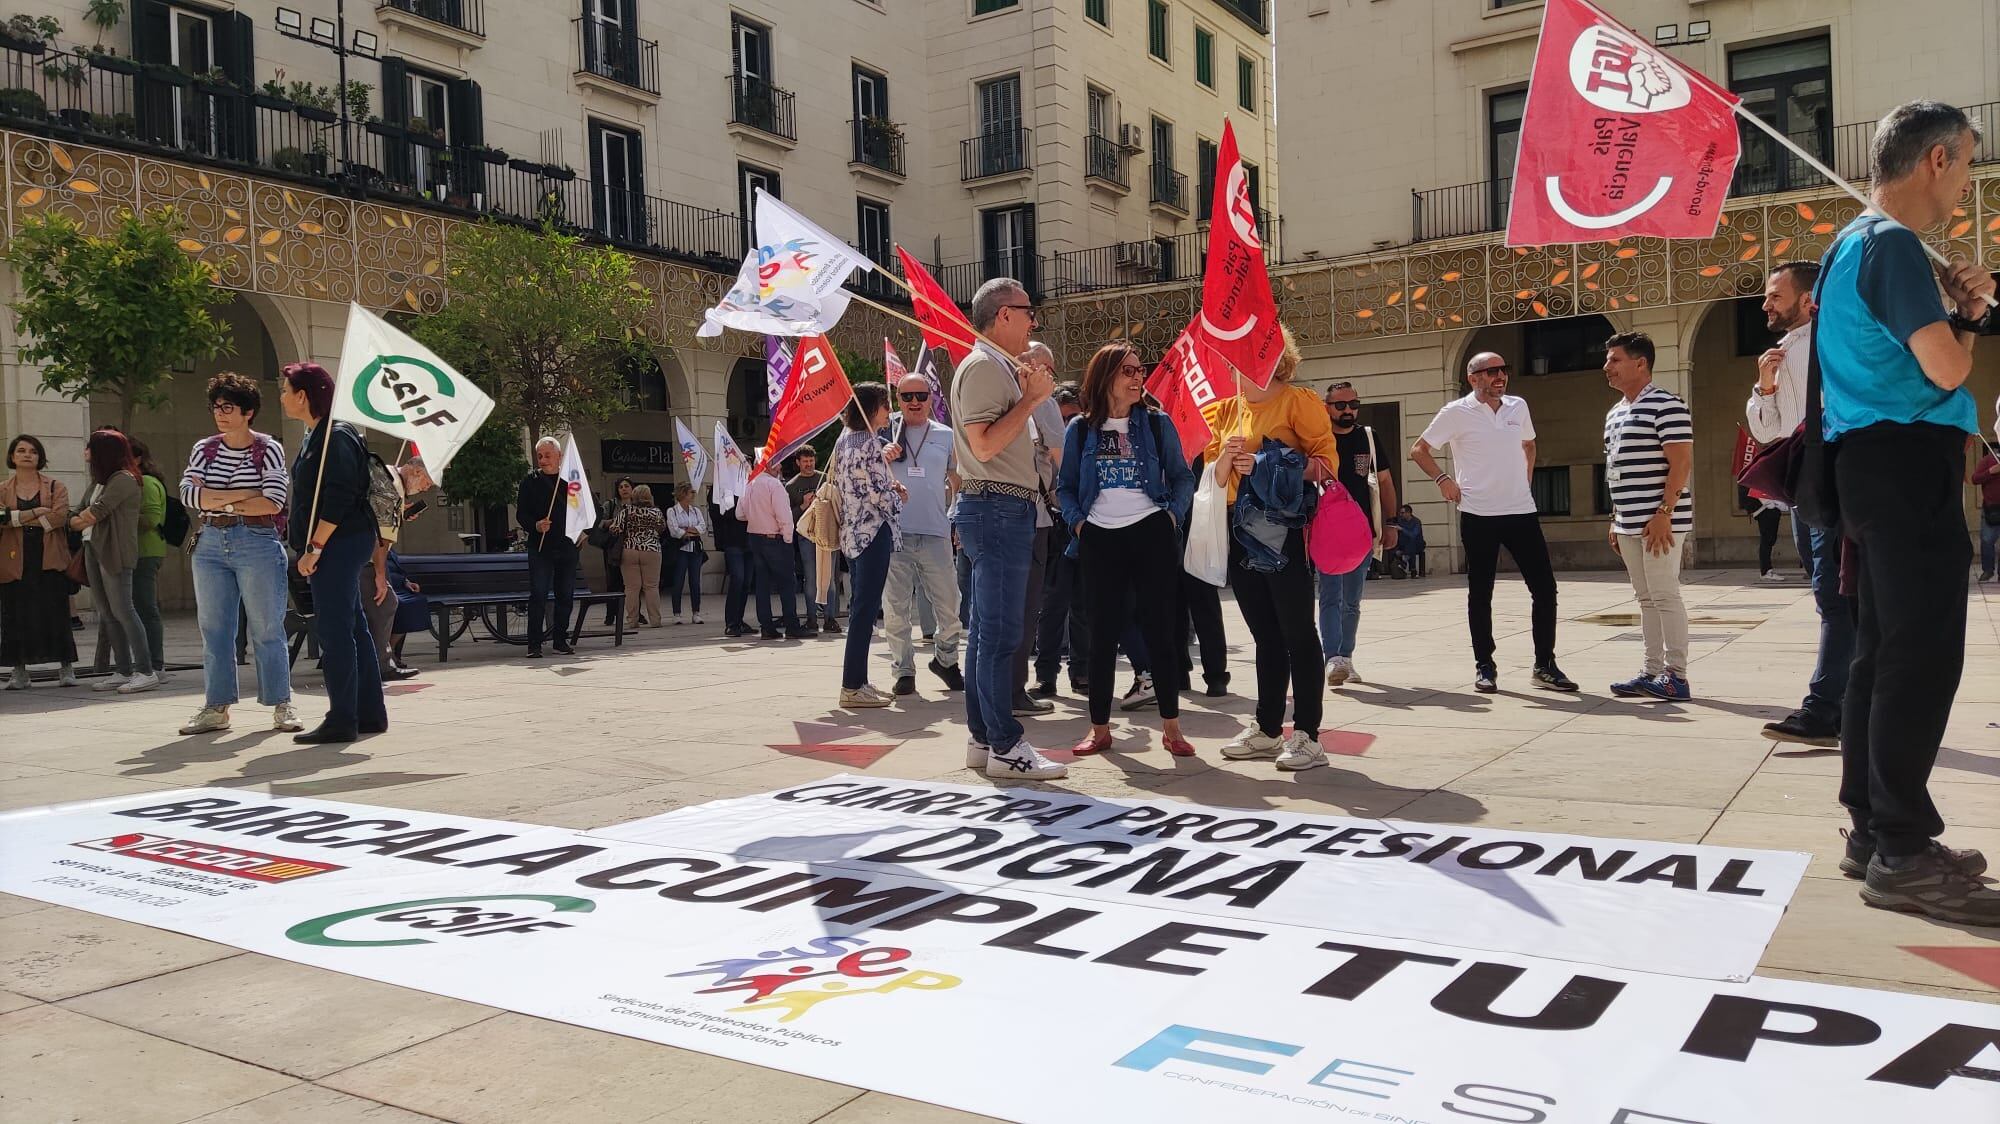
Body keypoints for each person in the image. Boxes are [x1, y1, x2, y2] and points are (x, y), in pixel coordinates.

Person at [1816, 101, 1995, 922]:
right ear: (1935, 160)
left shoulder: (1849, 244)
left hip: (1869, 464)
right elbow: (1949, 370)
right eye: (1965, 162)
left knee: (1880, 653)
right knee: (1919, 658)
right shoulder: (1888, 244)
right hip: (1907, 460)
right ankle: (1901, 846)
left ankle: (1873, 831)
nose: (1967, 180)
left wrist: (1952, 310)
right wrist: (1971, 316)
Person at [1057, 341, 1198, 757]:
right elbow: (1065, 486)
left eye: (1140, 371)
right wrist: (1080, 524)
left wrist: (1170, 517)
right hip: (1099, 536)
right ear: (1106, 377)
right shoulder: (1080, 429)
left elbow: (1182, 476)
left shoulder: (1157, 424)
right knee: (1101, 635)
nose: (1139, 378)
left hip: (1150, 531)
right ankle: (1099, 728)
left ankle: (1172, 727)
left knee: (1160, 632)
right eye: (1129, 371)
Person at [1207, 326, 1338, 771]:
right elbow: (1212, 476)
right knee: (1265, 635)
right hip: (1240, 531)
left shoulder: (1298, 402)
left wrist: (1264, 463)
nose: (1232, 366)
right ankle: (1266, 728)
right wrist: (1226, 458)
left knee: (1298, 633)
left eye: (1240, 356)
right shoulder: (1227, 410)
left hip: (1283, 533)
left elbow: (1325, 465)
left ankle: (1307, 734)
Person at [952, 277, 1066, 779]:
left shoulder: (992, 365)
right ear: (1003, 315)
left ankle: (985, 739)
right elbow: (982, 446)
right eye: (1027, 311)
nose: (1033, 320)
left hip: (998, 507)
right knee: (999, 634)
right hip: (997, 507)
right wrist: (1030, 400)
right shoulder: (983, 367)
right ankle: (1004, 744)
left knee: (987, 633)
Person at [1411, 352, 1574, 694]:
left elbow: (1529, 445)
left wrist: (1522, 481)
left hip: (1521, 512)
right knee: (1480, 593)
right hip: (1478, 514)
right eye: (1491, 371)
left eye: (1504, 370)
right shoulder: (1455, 412)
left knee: (1545, 589)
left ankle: (1545, 665)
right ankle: (1484, 665)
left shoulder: (1518, 407)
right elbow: (1420, 449)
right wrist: (1443, 480)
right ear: (1473, 378)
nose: (1500, 376)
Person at [1746, 260, 1852, 748]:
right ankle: (1847, 706)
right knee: (1831, 598)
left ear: (1808, 299)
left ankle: (1824, 709)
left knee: (1836, 599)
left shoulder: (1836, 341)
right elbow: (1766, 432)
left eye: (1775, 296)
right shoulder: (1779, 353)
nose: (1766, 304)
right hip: (1800, 488)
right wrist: (1765, 386)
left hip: (1833, 482)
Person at [176, 372, 299, 735]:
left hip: (258, 542)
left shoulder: (268, 448)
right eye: (216, 407)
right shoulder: (204, 448)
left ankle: (281, 703)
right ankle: (217, 707)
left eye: (228, 408)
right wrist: (244, 495)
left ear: (248, 412)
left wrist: (216, 499)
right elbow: (187, 494)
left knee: (267, 628)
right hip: (210, 544)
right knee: (214, 629)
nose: (220, 414)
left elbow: (274, 500)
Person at [284, 361, 386, 743]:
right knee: (354, 626)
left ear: (303, 396)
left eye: (285, 389)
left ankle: (343, 717)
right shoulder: (317, 436)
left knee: (335, 629)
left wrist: (315, 547)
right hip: (337, 543)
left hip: (339, 543)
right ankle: (369, 714)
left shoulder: (336, 436)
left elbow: (341, 496)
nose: (282, 397)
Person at [1601, 332, 1696, 702]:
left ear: (1640, 363)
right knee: (1645, 598)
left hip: (1659, 522)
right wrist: (1615, 516)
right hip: (1628, 521)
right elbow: (1615, 469)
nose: (1606, 367)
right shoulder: (1615, 412)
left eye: (1615, 360)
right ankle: (1652, 670)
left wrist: (1664, 513)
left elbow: (1681, 463)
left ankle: (1677, 675)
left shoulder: (1667, 404)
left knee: (1664, 595)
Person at [882, 369, 965, 696]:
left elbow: (959, 480)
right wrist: (880, 456)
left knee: (950, 606)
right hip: (895, 533)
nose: (914, 402)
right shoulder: (885, 431)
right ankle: (903, 670)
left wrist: (958, 518)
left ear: (932, 399)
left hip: (936, 531)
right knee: (897, 608)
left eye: (921, 396)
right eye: (907, 396)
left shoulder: (946, 434)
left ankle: (945, 659)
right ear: (898, 400)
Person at [1318, 381, 1399, 687]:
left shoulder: (1368, 437)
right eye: (1341, 405)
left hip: (1362, 530)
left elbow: (1385, 482)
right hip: (1327, 530)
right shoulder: (1319, 437)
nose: (1349, 410)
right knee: (1330, 596)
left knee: (1352, 600)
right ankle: (1332, 658)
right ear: (1327, 408)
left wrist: (1390, 524)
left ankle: (1346, 658)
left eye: (1354, 404)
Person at [66, 429, 159, 695]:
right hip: (91, 548)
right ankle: (123, 670)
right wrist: (79, 519)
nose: (85, 452)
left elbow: (97, 512)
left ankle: (145, 670)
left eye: (90, 447)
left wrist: (81, 518)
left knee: (124, 610)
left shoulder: (124, 479)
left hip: (115, 551)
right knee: (107, 614)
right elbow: (74, 515)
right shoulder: (98, 482)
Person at [832, 384, 906, 707]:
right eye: (885, 406)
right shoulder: (870, 444)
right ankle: (852, 685)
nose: (889, 413)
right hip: (873, 532)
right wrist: (899, 496)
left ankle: (858, 680)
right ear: (872, 408)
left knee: (861, 608)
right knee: (864, 610)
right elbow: (878, 495)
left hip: (852, 533)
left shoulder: (843, 440)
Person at [1, 434, 78, 689]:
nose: (27, 454)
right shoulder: (2, 489)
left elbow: (57, 518)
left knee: (55, 612)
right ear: (12, 456)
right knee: (16, 614)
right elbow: (2, 519)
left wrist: (17, 519)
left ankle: (66, 669)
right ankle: (19, 672)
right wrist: (34, 512)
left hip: (49, 557)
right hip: (15, 560)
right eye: (21, 450)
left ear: (39, 457)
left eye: (32, 451)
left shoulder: (56, 486)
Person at [1033, 382, 1085, 697]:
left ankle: (1082, 672)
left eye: (1073, 417)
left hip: (1085, 529)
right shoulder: (1047, 444)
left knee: (1083, 606)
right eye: (1062, 418)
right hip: (1055, 528)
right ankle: (1046, 676)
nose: (1067, 425)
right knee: (1052, 607)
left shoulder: (1089, 438)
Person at [364, 456, 432, 681]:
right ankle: (381, 665)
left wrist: (401, 514)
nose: (425, 488)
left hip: (359, 553)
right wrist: (381, 574)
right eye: (426, 482)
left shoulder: (390, 479)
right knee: (386, 604)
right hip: (364, 556)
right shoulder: (392, 486)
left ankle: (379, 662)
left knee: (383, 606)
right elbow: (381, 536)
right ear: (414, 470)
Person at [516, 437, 579, 659]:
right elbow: (521, 514)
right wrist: (535, 525)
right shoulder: (529, 482)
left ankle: (560, 640)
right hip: (540, 546)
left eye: (547, 455)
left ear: (559, 456)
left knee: (565, 595)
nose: (543, 460)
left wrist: (583, 534)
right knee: (539, 594)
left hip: (566, 546)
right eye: (540, 456)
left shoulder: (572, 481)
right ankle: (534, 644)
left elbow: (590, 510)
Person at [742, 459, 812, 640]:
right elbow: (784, 515)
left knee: (762, 585)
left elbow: (740, 513)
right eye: (776, 463)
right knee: (787, 583)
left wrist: (757, 516)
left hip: (755, 537)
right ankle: (791, 626)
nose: (780, 466)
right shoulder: (774, 485)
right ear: (766, 465)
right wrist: (788, 539)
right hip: (775, 539)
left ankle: (766, 627)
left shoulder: (750, 483)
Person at [785, 447, 838, 633]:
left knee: (829, 578)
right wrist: (803, 505)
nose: (809, 464)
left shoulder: (825, 479)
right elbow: (789, 517)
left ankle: (830, 618)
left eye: (811, 461)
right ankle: (811, 618)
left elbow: (836, 504)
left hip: (826, 533)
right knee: (811, 578)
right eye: (805, 461)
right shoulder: (791, 486)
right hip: (806, 536)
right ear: (798, 463)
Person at [128, 438, 169, 677]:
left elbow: (152, 520)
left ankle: (155, 664)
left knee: (145, 607)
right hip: (136, 551)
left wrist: (121, 513)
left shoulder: (148, 483)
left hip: (146, 551)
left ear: (138, 458)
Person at [609, 484, 665, 630]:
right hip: (652, 550)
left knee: (631, 588)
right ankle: (655, 620)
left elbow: (615, 529)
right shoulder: (656, 512)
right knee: (651, 587)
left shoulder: (626, 511)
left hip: (629, 550)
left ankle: (632, 621)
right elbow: (662, 528)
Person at [665, 483, 708, 624]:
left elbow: (702, 527)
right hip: (681, 549)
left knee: (695, 581)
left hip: (695, 549)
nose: (693, 495)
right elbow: (674, 531)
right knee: (678, 581)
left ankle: (696, 612)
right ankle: (676, 613)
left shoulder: (696, 511)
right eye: (691, 492)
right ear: (683, 494)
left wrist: (690, 529)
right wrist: (687, 532)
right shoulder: (672, 511)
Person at [714, 498, 755, 637]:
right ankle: (731, 623)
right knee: (738, 579)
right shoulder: (723, 485)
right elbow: (718, 512)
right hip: (732, 540)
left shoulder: (749, 483)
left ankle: (738, 620)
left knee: (746, 583)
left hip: (749, 539)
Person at [597, 478, 633, 626]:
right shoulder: (610, 505)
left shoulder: (637, 504)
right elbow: (598, 523)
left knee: (632, 583)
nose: (624, 489)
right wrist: (612, 522)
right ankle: (610, 614)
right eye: (621, 487)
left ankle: (635, 613)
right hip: (613, 547)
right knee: (613, 582)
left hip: (631, 546)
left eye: (627, 486)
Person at [1975, 443, 2000, 583]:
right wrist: (1991, 471)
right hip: (1991, 509)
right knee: (1987, 540)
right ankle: (1988, 570)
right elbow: (1975, 479)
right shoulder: (1987, 460)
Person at [1391, 504, 1426, 577]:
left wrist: (1402, 529)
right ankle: (1410, 569)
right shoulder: (1401, 521)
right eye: (1400, 513)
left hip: (1417, 544)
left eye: (1403, 513)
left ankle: (1407, 564)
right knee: (1404, 546)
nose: (1401, 515)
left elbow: (1413, 535)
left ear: (1408, 513)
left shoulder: (1416, 522)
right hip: (1404, 544)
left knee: (1411, 543)